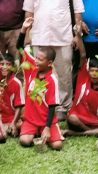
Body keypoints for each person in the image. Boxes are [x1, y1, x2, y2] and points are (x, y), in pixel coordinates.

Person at [23, 0, 85, 121]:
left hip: (63, 37)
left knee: (64, 73)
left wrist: (76, 35)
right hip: (40, 37)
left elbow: (77, 10)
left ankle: (64, 107)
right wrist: (27, 33)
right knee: (38, 72)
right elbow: (29, 9)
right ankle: (39, 102)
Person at [16, 17, 63, 151]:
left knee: (57, 146)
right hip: (30, 117)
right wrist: (24, 29)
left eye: (40, 60)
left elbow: (53, 106)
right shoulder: (31, 67)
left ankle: (45, 130)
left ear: (49, 63)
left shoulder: (52, 79)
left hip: (46, 120)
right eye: (36, 58)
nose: (36, 61)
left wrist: (47, 128)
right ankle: (33, 131)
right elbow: (19, 48)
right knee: (25, 141)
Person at [0, 53, 24, 137]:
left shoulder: (16, 83)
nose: (4, 67)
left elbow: (18, 106)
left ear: (13, 67)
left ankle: (7, 128)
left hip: (10, 117)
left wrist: (13, 123)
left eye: (8, 64)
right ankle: (3, 129)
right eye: (2, 64)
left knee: (21, 124)